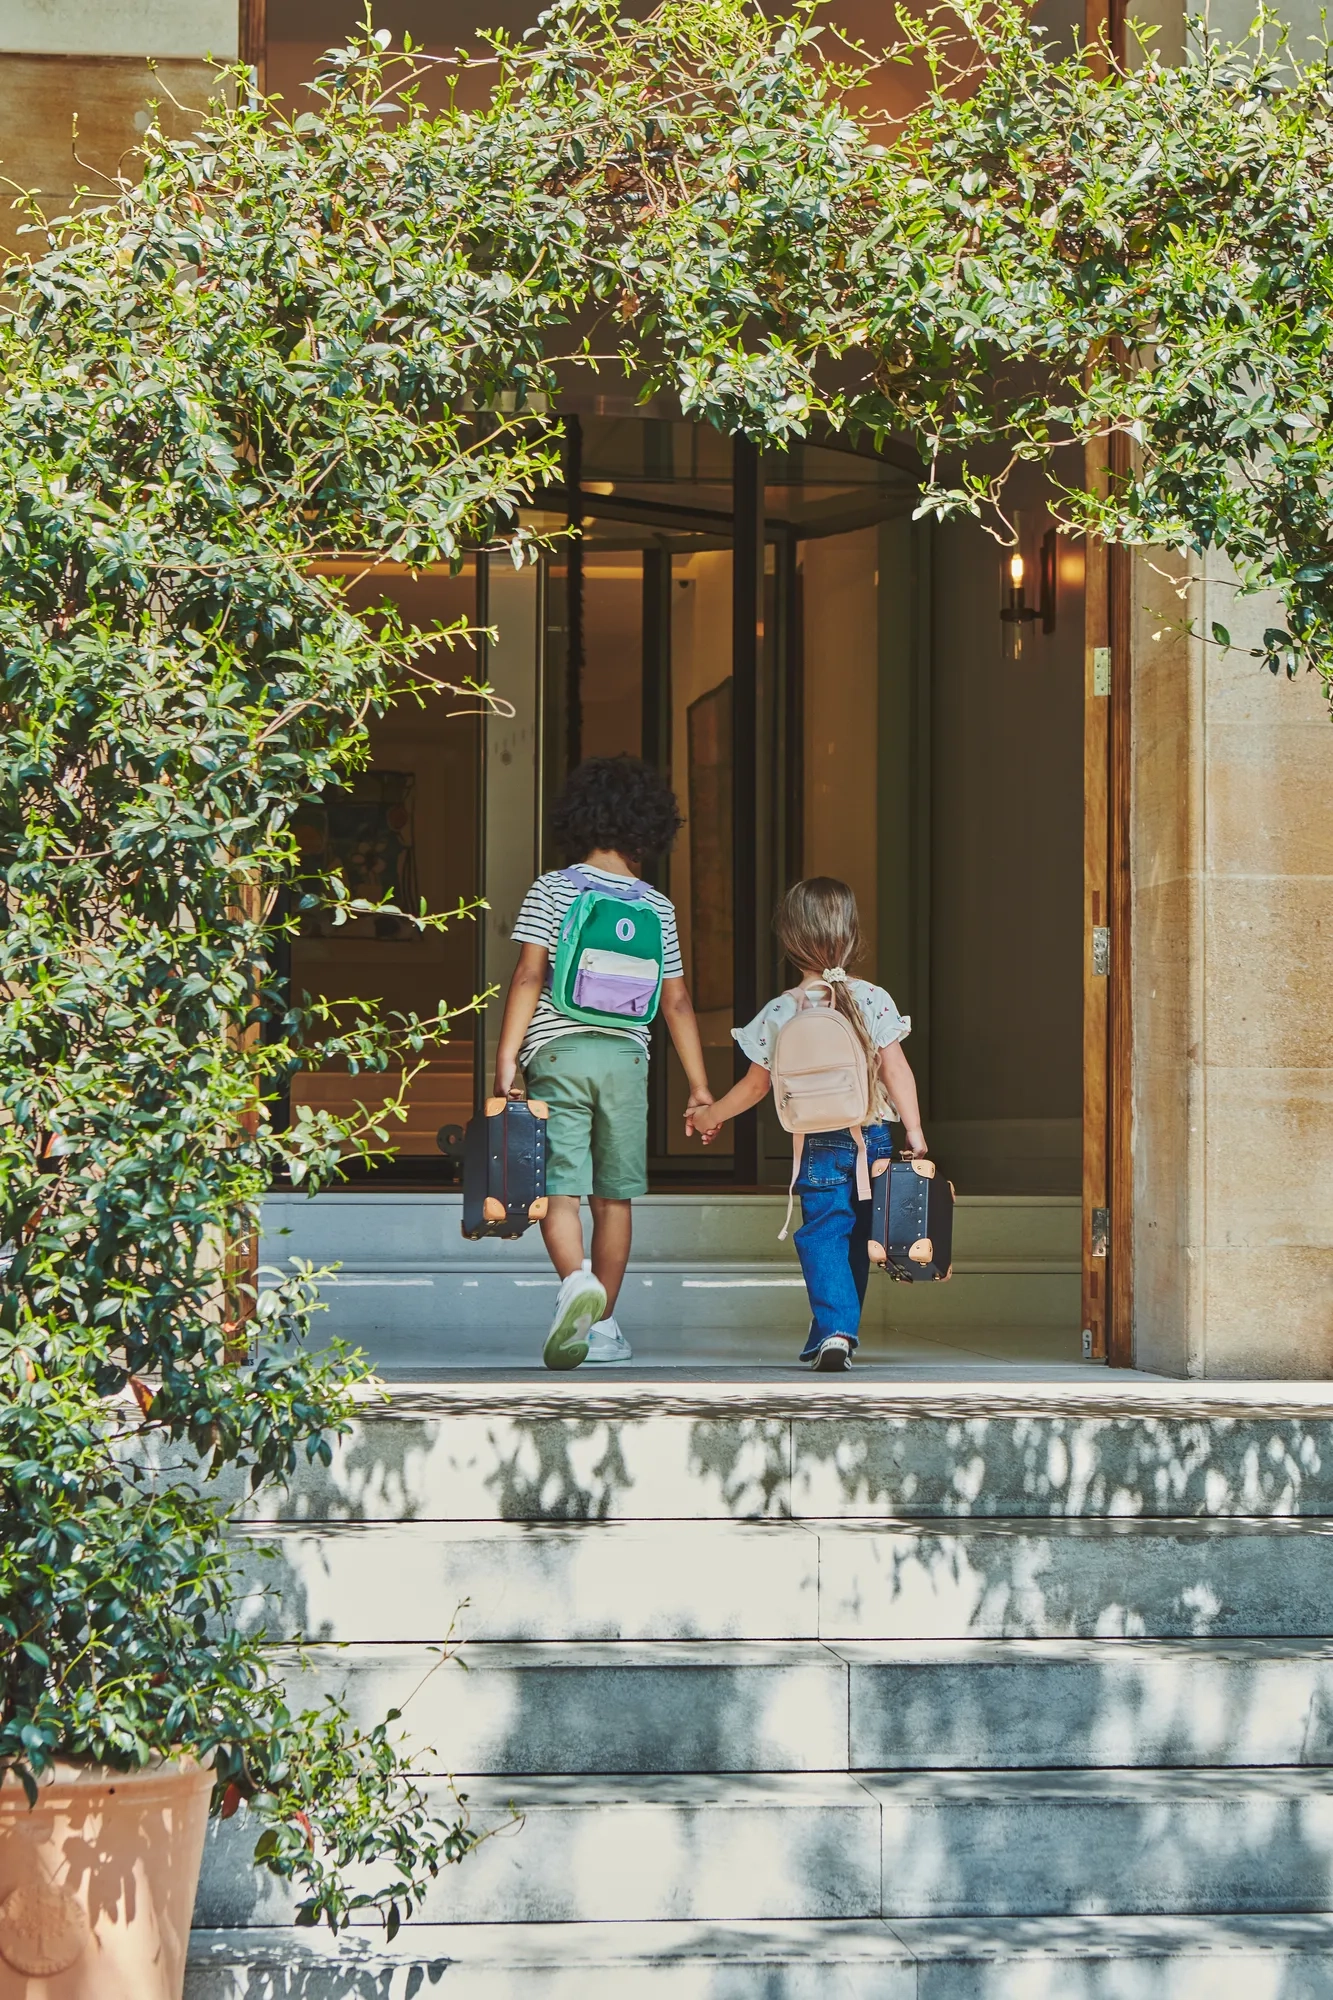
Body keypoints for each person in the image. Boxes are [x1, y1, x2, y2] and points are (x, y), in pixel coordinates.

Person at [493, 755, 713, 1369]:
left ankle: (574, 1284)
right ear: (649, 827)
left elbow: (529, 976)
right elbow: (677, 1002)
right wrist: (698, 1088)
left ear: (581, 818)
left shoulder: (554, 889)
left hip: (558, 1054)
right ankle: (605, 1325)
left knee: (559, 1191)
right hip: (627, 1059)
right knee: (614, 1198)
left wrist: (507, 1058)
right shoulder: (657, 906)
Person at [687, 877, 927, 1371]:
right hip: (874, 1135)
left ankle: (835, 1330)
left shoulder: (781, 1011)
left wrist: (710, 1115)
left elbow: (755, 1088)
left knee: (822, 1233)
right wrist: (915, 1131)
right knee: (860, 1237)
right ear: (851, 934)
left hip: (818, 1142)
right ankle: (838, 1330)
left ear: (790, 939)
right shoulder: (872, 999)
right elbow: (897, 1069)